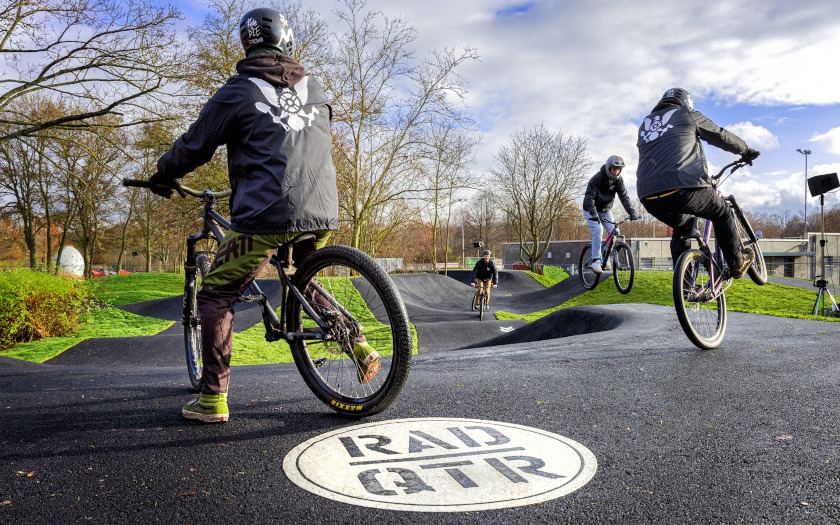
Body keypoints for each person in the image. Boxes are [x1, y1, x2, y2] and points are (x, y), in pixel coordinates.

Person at [146, 7, 379, 423]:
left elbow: (195, 145)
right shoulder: (317, 87)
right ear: (286, 41)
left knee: (216, 292)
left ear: (247, 44)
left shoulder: (237, 90)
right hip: (322, 210)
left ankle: (212, 398)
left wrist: (163, 175)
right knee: (301, 281)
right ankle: (358, 344)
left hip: (267, 214)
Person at [636, 87, 760, 278]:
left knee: (683, 226)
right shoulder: (687, 113)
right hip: (684, 185)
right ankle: (737, 262)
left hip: (649, 195)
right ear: (687, 103)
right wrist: (745, 150)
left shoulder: (645, 124)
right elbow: (720, 135)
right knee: (723, 212)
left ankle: (684, 283)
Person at [582, 155, 640, 274]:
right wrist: (593, 213)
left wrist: (632, 212)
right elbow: (589, 197)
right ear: (609, 168)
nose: (616, 171)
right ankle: (596, 260)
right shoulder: (597, 178)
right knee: (598, 230)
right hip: (590, 210)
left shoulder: (618, 180)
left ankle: (606, 257)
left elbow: (624, 197)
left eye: (618, 169)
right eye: (614, 169)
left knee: (614, 231)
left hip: (605, 210)